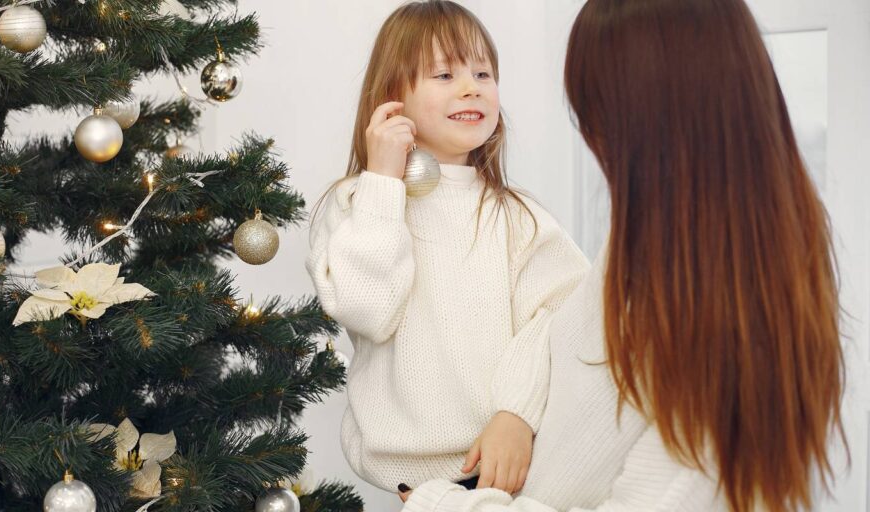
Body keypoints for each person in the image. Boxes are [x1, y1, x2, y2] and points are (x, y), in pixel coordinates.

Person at [399, 0, 845, 510]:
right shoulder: (648, 244)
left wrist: (439, 503)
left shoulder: (730, 323)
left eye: (598, 116)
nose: (595, 144)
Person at [305, 0, 589, 496]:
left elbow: (565, 318)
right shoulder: (358, 202)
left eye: (483, 72)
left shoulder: (517, 216)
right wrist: (383, 181)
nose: (471, 87)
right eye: (444, 74)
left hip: (514, 474)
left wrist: (516, 414)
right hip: (410, 485)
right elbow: (367, 312)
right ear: (392, 98)